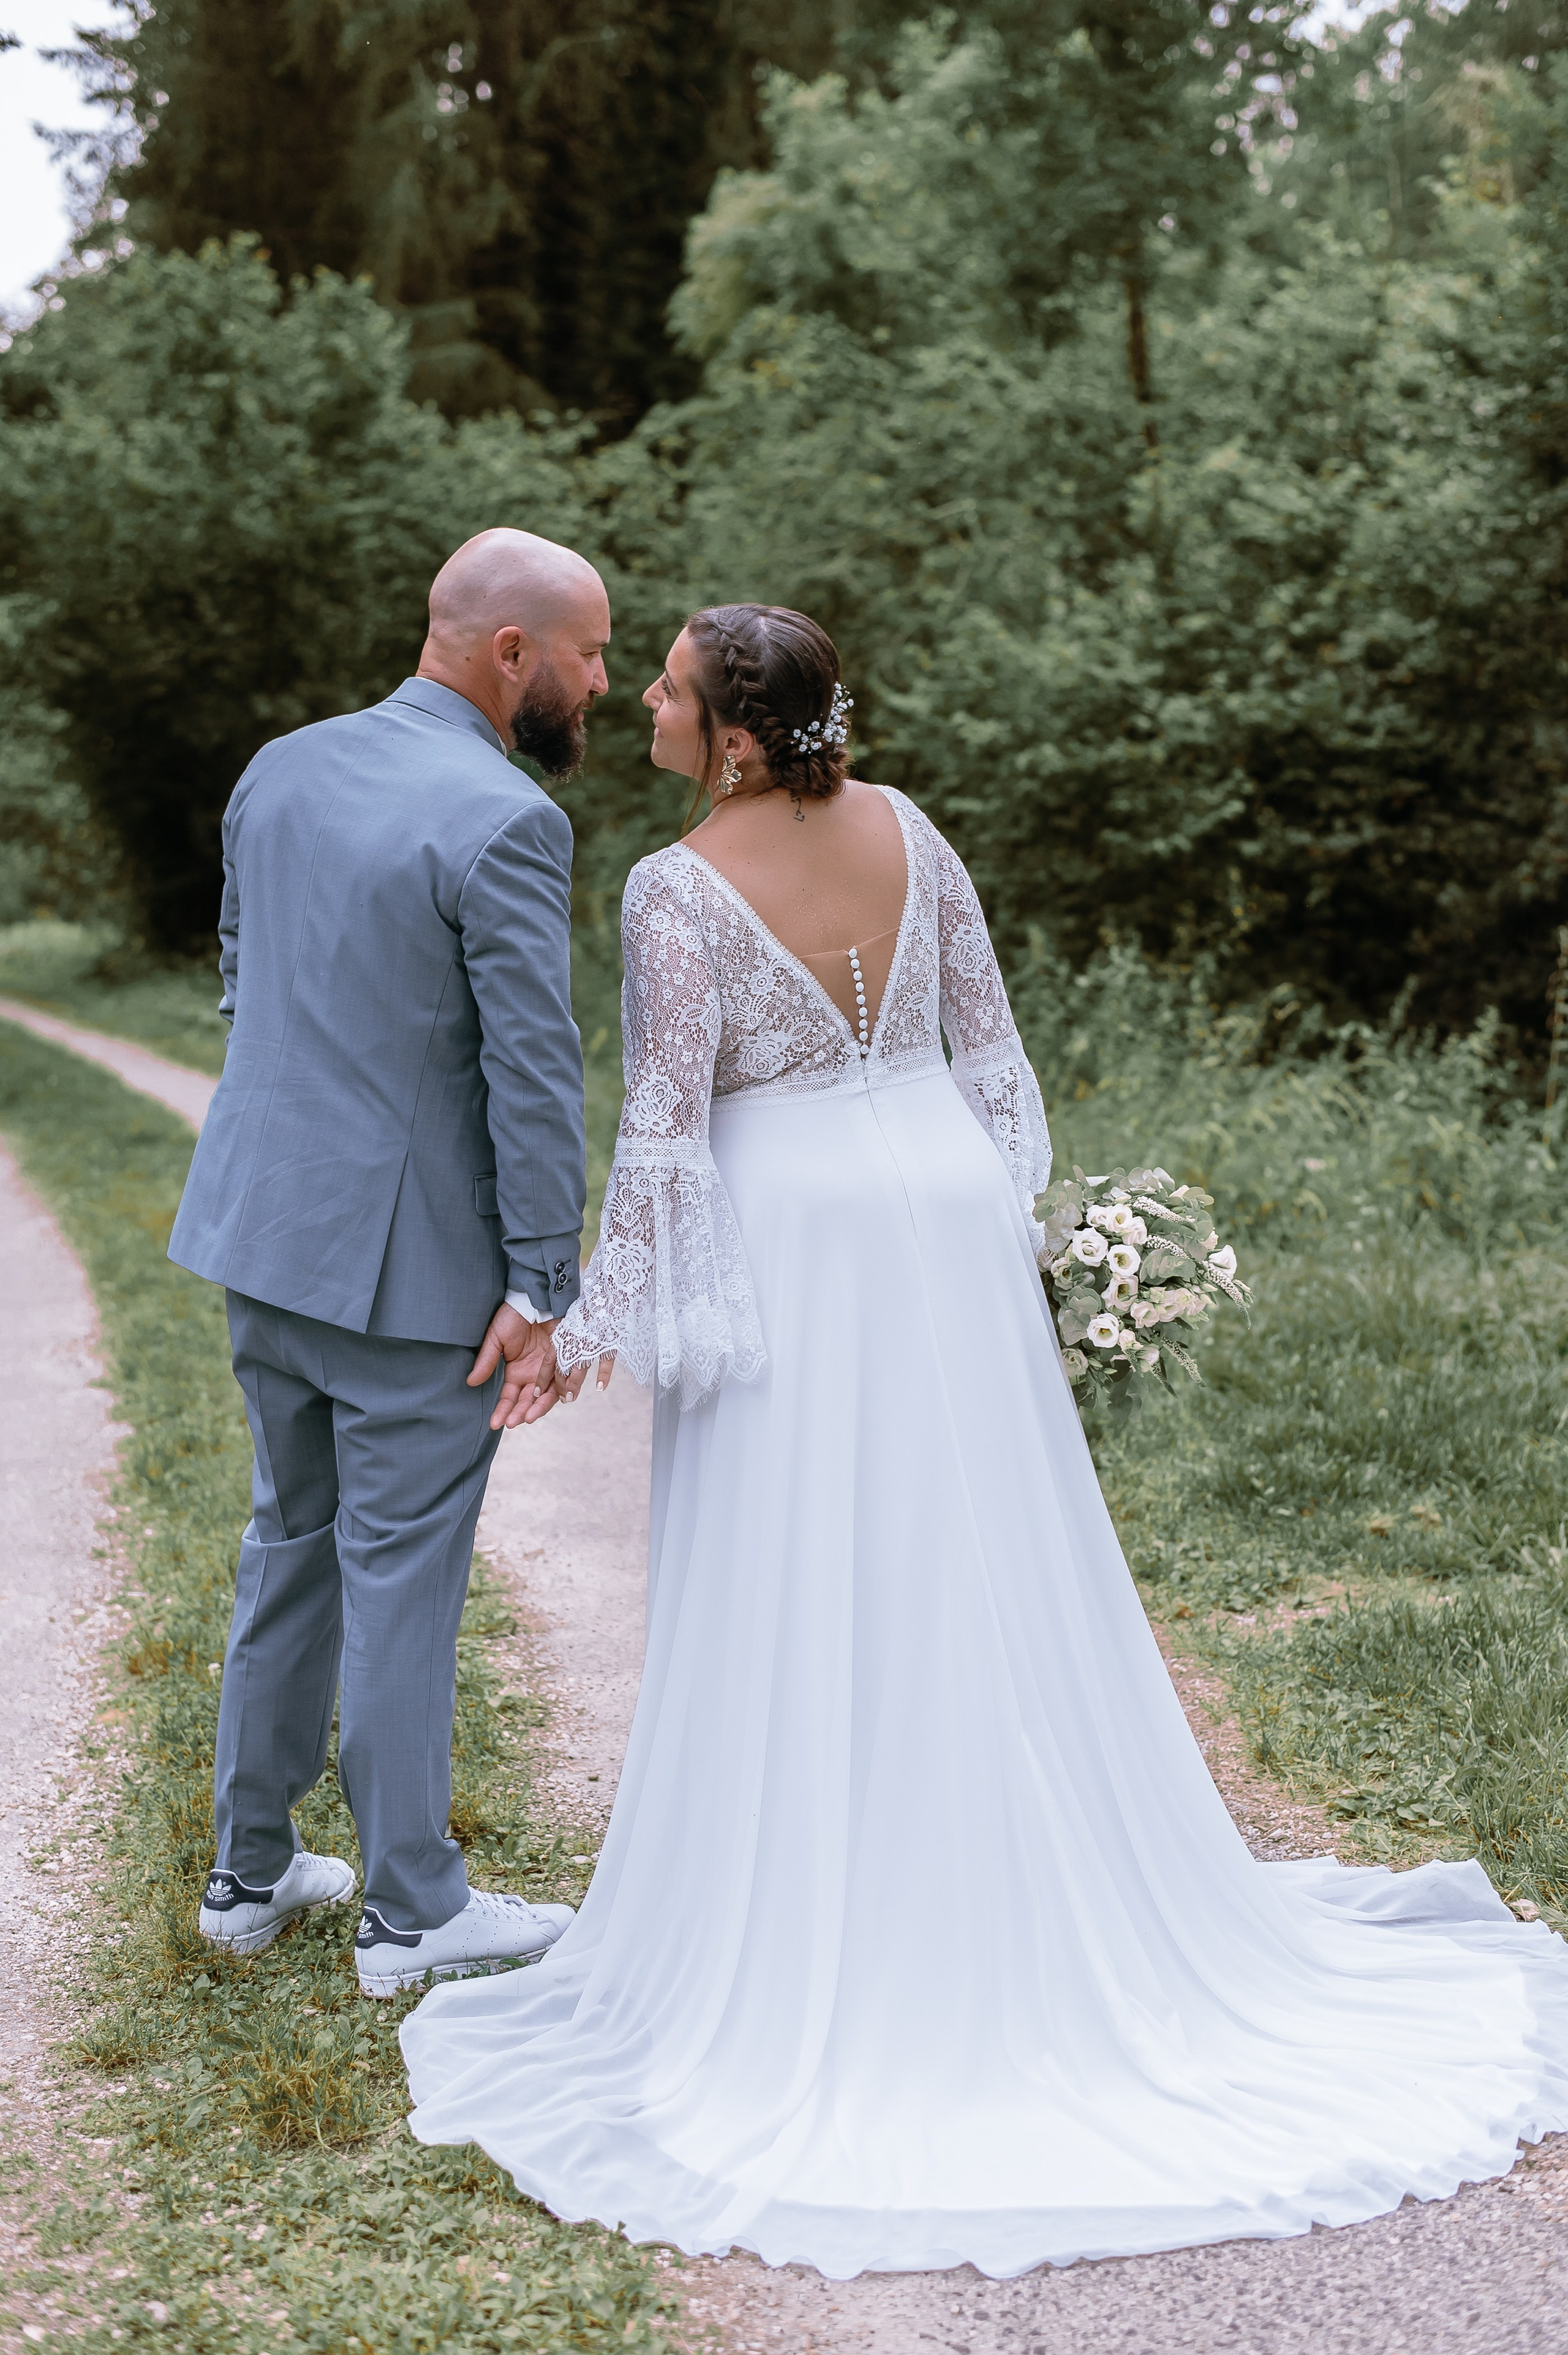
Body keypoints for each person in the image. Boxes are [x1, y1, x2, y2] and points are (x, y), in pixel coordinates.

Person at [399, 602, 1568, 2277]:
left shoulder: (673, 890)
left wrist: (583, 1330)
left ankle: (844, 1915)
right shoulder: (913, 828)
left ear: (733, 735)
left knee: (814, 1552)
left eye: (665, 682)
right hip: (933, 1210)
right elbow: (989, 1054)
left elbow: (664, 1133)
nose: (644, 699)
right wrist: (973, 1208)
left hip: (799, 1228)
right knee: (974, 1534)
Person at [169, 528, 607, 1997]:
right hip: (409, 1275)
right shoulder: (505, 819)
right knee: (401, 1572)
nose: (600, 683)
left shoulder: (281, 764)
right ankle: (413, 1908)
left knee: (290, 1538)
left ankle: (248, 1871)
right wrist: (541, 1276)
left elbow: (241, 972)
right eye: (590, 654)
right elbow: (533, 1079)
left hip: (263, 1235)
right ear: (509, 654)